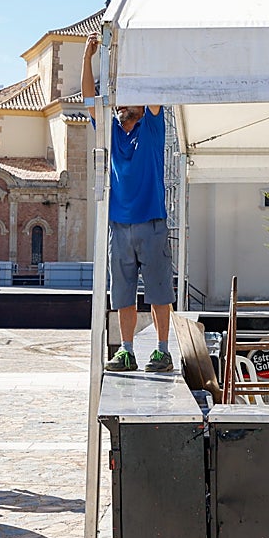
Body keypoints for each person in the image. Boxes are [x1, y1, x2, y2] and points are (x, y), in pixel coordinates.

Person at [82, 33, 174, 373]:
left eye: (126, 102)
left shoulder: (152, 128)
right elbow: (90, 100)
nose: (120, 105)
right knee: (121, 294)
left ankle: (163, 350)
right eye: (120, 102)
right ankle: (127, 350)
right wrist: (87, 59)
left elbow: (151, 91)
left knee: (159, 291)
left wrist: (139, 54)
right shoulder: (113, 133)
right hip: (119, 226)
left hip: (151, 222)